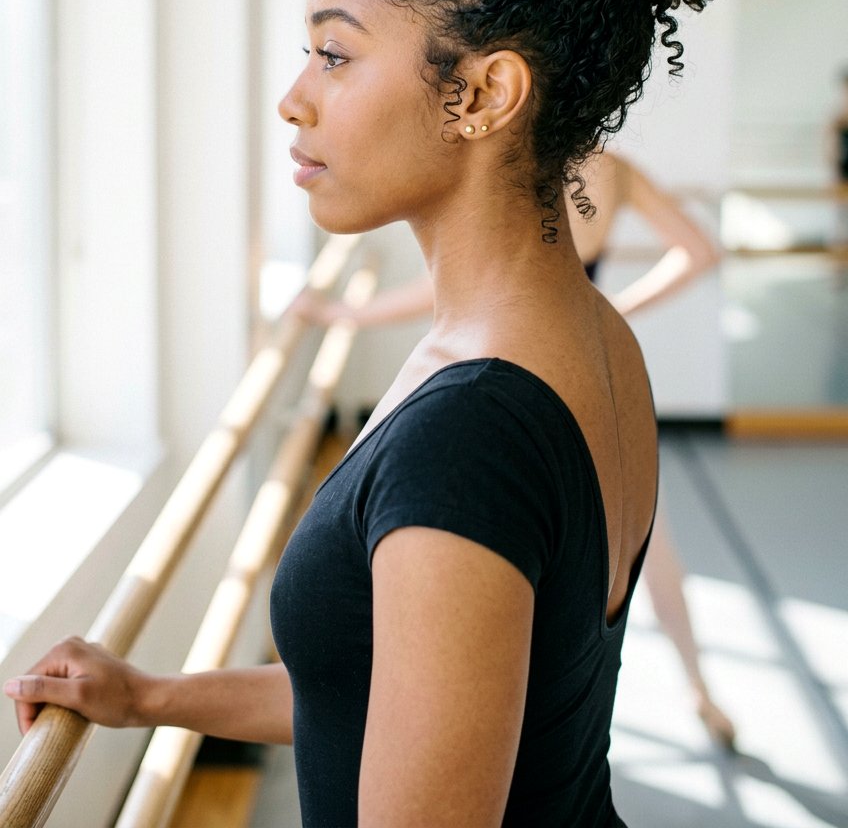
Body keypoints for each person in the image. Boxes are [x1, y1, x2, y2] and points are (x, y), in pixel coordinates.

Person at [5, 0, 744, 826]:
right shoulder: (589, 338)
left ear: (484, 95)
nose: (293, 97)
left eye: (335, 53)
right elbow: (407, 696)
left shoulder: (470, 435)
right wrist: (152, 694)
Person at [294, 148, 737, 749]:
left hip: (521, 372)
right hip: (597, 364)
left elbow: (469, 284)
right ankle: (701, 690)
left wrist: (351, 314)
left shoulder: (515, 168)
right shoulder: (615, 170)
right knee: (641, 547)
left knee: (527, 550)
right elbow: (701, 250)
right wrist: (612, 311)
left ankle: (506, 712)